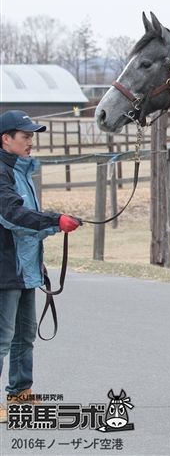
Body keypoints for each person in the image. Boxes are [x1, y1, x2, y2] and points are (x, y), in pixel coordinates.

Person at [0, 110, 81, 423]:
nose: (31, 141)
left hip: (23, 266)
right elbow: (11, 215)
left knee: (24, 336)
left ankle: (20, 392)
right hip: (5, 269)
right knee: (3, 338)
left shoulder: (20, 170)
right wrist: (54, 221)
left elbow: (27, 217)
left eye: (32, 135)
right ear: (6, 139)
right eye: (25, 136)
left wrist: (55, 226)